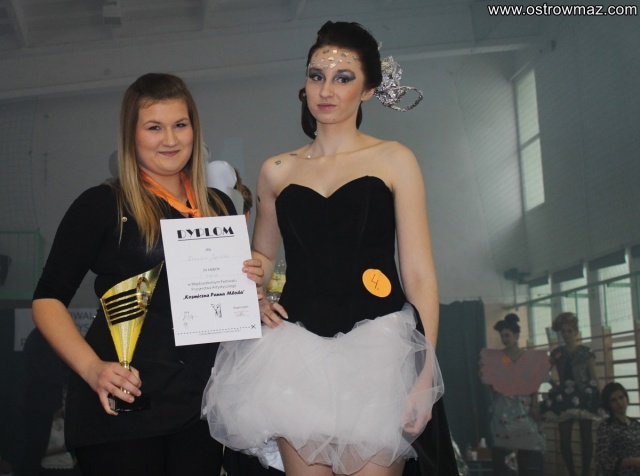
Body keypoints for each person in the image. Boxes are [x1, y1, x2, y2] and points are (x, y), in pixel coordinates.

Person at [203, 21, 457, 476]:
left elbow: (419, 275)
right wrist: (250, 292)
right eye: (316, 76)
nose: (326, 89)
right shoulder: (276, 169)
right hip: (293, 354)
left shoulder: (395, 159)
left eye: (343, 78)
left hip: (380, 352)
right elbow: (263, 257)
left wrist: (424, 375)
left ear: (368, 90)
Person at [31, 73, 263, 476]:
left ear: (194, 129)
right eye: (154, 127)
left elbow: (223, 306)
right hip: (124, 402)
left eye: (180, 125)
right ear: (131, 134)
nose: (170, 139)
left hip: (199, 406)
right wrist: (93, 369)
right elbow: (47, 298)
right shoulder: (102, 204)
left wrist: (247, 283)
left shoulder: (218, 204)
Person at [480, 313, 549, 475]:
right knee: (503, 446)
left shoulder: (528, 357)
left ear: (516, 335)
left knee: (527, 445)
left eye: (507, 335)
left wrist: (534, 404)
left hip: (523, 405)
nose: (504, 339)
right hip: (503, 405)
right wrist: (497, 390)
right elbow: (486, 378)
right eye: (502, 336)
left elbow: (534, 383)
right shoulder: (496, 358)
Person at [541, 312, 600, 476]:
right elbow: (542, 371)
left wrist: (601, 395)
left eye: (569, 331)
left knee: (586, 437)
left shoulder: (586, 352)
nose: (566, 334)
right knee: (564, 439)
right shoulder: (557, 353)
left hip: (585, 395)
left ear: (576, 332)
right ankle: (572, 473)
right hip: (564, 397)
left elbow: (594, 375)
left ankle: (585, 473)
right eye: (563, 331)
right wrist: (554, 385)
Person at [595, 382, 640, 476]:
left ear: (626, 398)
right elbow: (601, 460)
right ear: (608, 404)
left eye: (621, 397)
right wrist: (632, 461)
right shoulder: (606, 426)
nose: (619, 403)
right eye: (613, 400)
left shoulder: (636, 424)